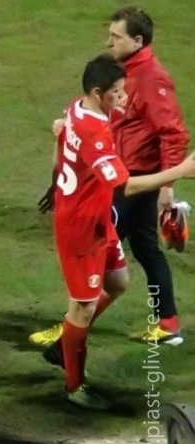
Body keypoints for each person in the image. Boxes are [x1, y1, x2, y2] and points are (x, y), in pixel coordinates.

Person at [40, 55, 195, 409]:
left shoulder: (76, 109)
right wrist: (180, 172)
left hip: (96, 218)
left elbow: (60, 149)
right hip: (82, 229)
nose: (123, 98)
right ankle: (74, 385)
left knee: (118, 282)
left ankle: (66, 343)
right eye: (118, 93)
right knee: (82, 308)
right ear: (98, 93)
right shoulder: (93, 133)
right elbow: (125, 186)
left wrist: (57, 185)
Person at [31, 6, 190, 348]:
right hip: (120, 170)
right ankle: (168, 323)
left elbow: (173, 134)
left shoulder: (151, 79)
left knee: (91, 255)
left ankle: (69, 332)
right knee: (145, 248)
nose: (108, 42)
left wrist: (167, 185)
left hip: (130, 180)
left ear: (137, 41)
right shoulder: (123, 72)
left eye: (116, 37)